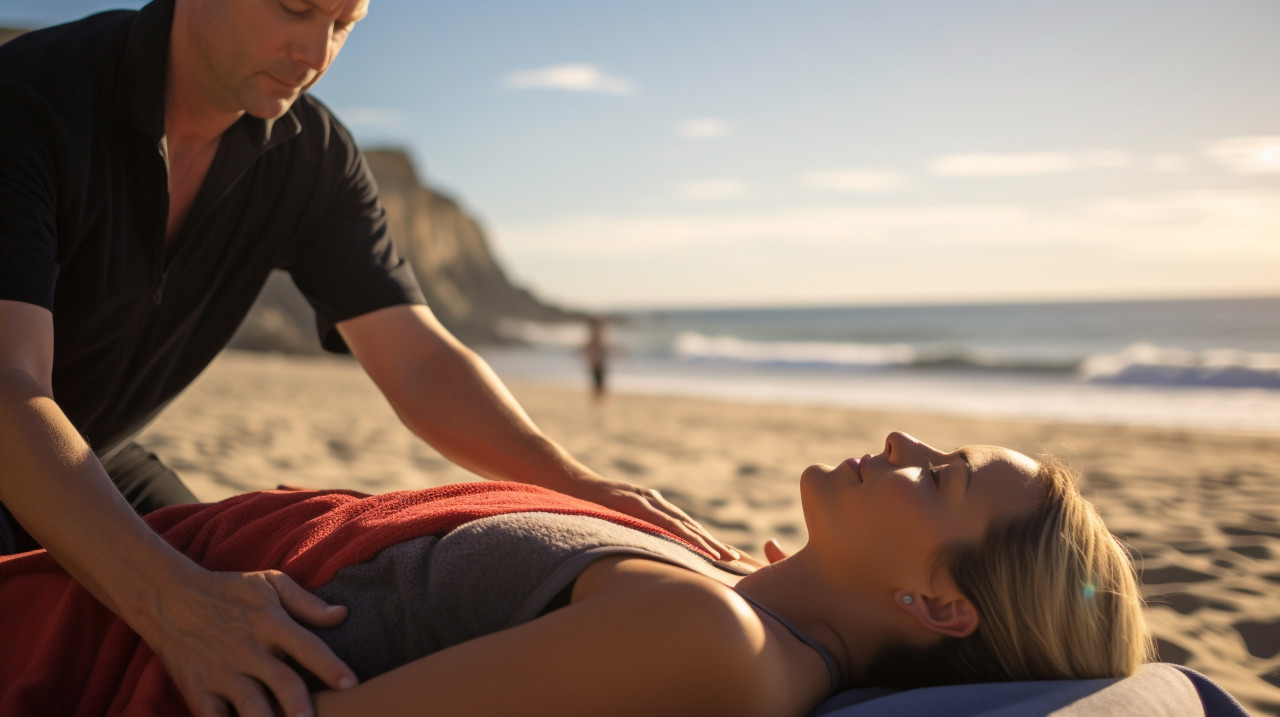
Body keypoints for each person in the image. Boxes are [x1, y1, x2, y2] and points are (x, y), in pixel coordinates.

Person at [0, 1, 734, 715]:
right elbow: (8, 384)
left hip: (98, 452)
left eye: (344, 25)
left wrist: (576, 484)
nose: (316, 56)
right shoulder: (29, 99)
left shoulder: (311, 153)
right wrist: (167, 595)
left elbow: (416, 360)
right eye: (295, 9)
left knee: (283, 625)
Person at [0, 432, 1153, 717]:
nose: (900, 444)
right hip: (143, 554)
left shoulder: (721, 644)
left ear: (939, 606)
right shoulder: (730, 593)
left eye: (940, 477)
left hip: (83, 631)